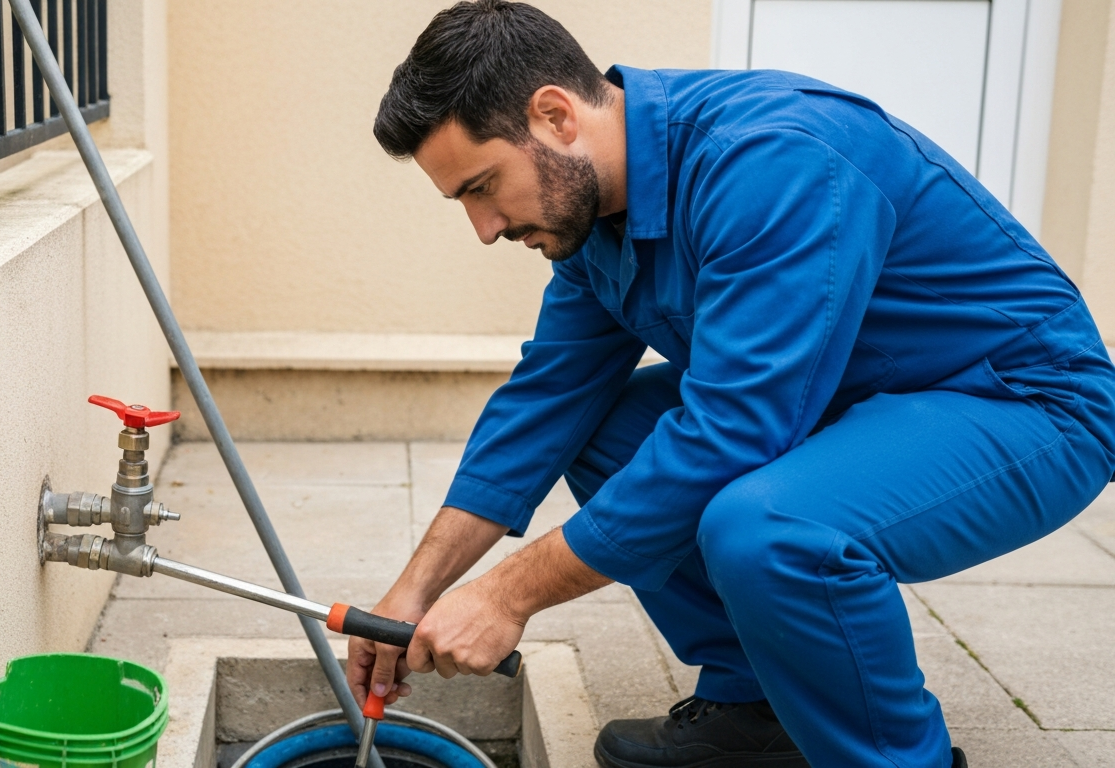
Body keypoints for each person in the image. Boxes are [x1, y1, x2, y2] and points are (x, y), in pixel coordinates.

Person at [345, 2, 1115, 767]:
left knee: (772, 529)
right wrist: (413, 593)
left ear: (554, 116)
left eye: (483, 187)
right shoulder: (589, 216)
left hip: (1020, 398)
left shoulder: (769, 159)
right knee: (606, 436)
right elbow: (548, 400)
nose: (484, 229)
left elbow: (734, 432)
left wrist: (506, 596)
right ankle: (758, 708)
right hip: (847, 393)